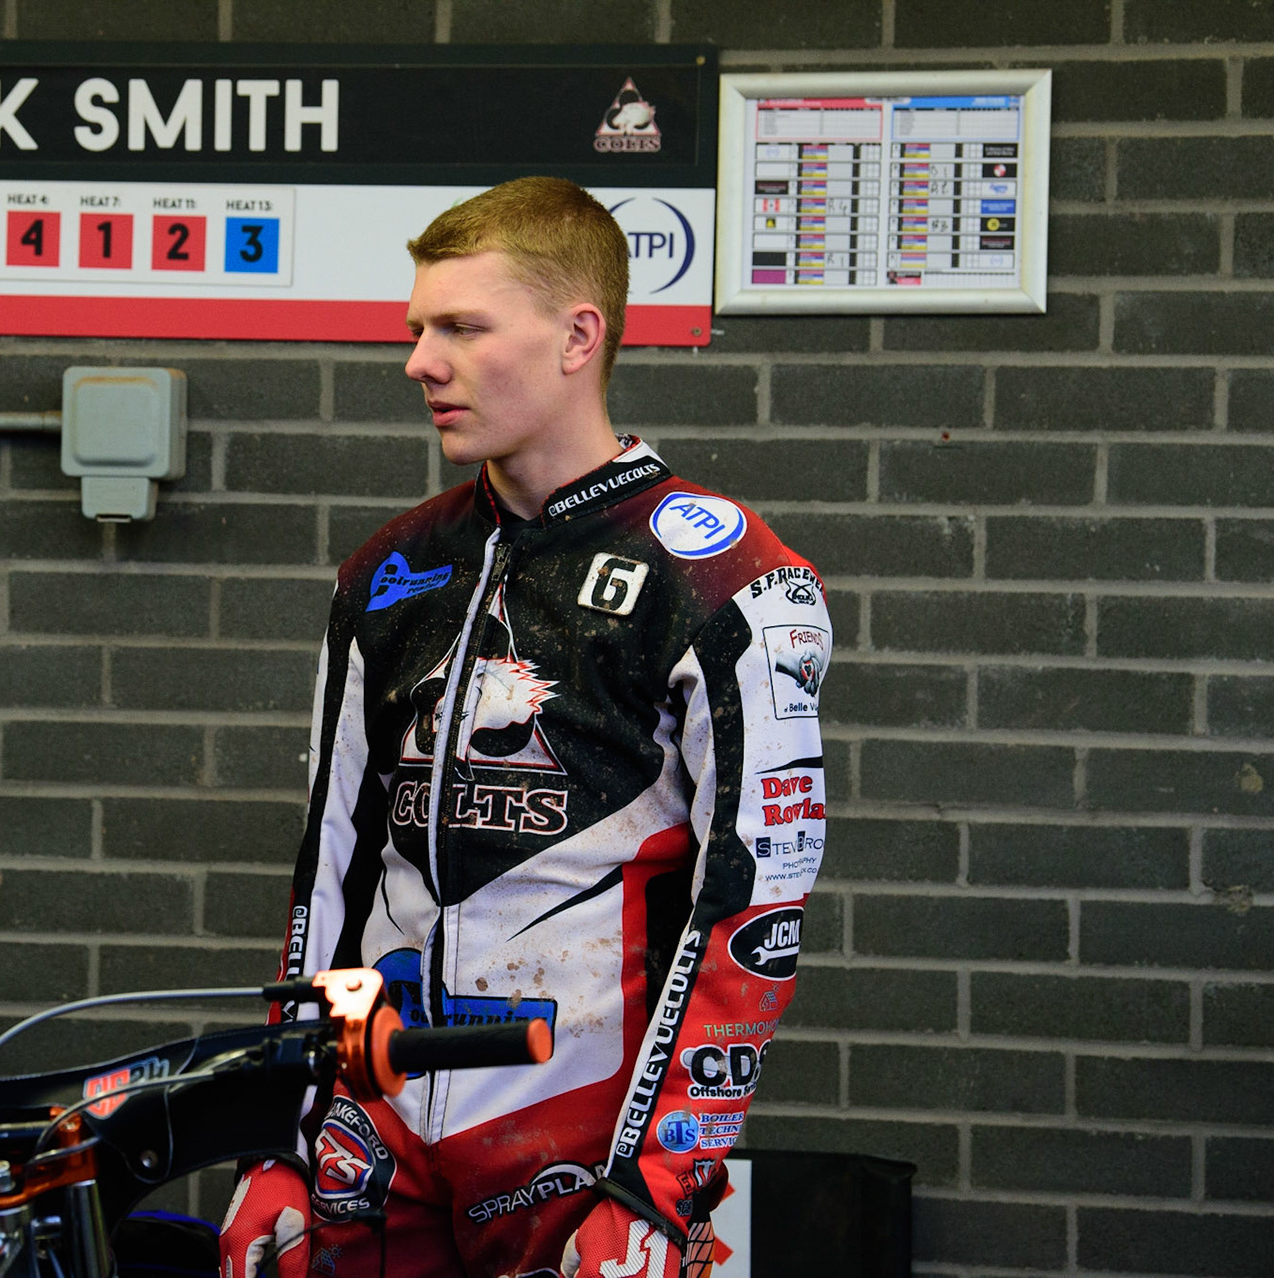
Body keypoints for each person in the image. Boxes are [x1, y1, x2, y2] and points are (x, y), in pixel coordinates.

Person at [220, 178, 831, 1278]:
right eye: (418, 328)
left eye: (462, 326)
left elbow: (754, 906)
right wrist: (279, 1138)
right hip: (378, 1130)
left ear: (576, 337)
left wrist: (660, 1188)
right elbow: (331, 875)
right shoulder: (388, 568)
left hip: (590, 1138)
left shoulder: (726, 575)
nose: (420, 360)